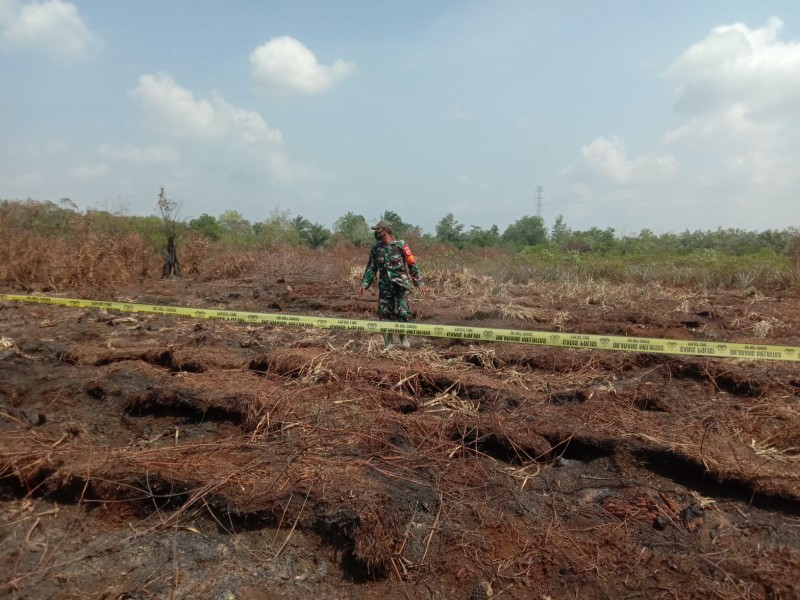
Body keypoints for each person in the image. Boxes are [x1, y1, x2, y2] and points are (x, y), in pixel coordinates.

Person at [359, 219, 425, 348]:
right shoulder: (376, 248)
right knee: (384, 314)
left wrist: (418, 281)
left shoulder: (401, 245)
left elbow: (412, 263)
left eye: (378, 229)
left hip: (401, 285)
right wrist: (365, 282)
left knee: (403, 312)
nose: (377, 232)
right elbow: (371, 267)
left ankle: (403, 339)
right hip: (385, 286)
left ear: (386, 230)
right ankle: (388, 343)